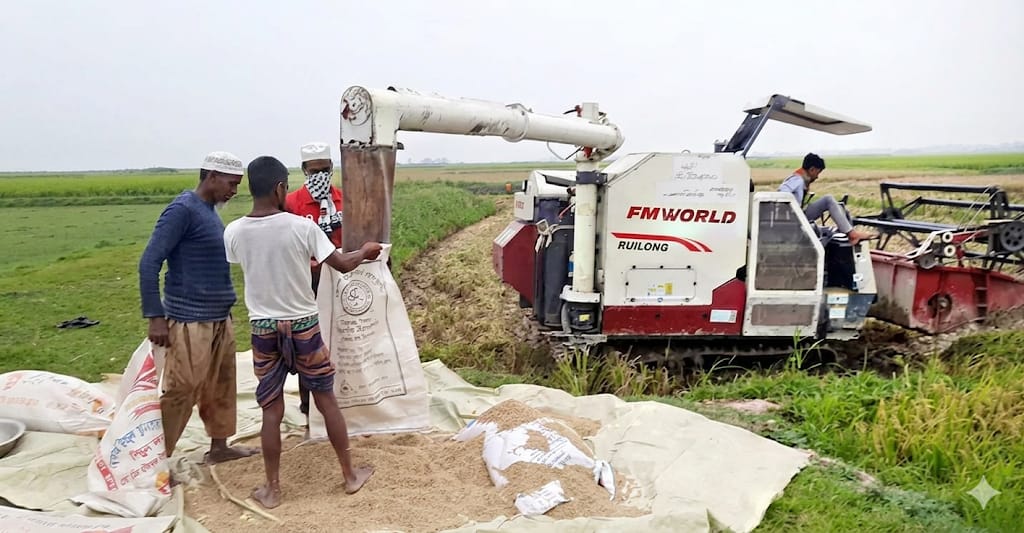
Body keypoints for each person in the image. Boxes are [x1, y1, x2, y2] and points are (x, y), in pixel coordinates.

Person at [224, 155, 379, 508]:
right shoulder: (301, 227)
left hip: (263, 328)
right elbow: (340, 263)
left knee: (271, 408)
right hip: (304, 325)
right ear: (280, 188)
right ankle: (350, 475)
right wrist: (366, 252)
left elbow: (242, 261)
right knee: (325, 398)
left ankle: (273, 488)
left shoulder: (234, 232)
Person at [138, 151, 259, 464]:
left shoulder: (208, 210)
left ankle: (219, 447)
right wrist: (155, 316)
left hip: (219, 317)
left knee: (222, 384)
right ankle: (157, 460)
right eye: (231, 184)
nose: (234, 191)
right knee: (182, 388)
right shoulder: (182, 210)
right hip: (189, 318)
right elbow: (150, 261)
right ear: (212, 177)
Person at [285, 142, 343, 430]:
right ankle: (309, 405)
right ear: (304, 171)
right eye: (314, 170)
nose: (320, 174)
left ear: (331, 168)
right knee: (308, 343)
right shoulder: (292, 203)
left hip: (340, 279)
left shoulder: (343, 200)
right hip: (306, 282)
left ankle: (344, 396)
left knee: (340, 337)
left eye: (325, 169)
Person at [779, 152, 874, 245]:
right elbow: (781, 193)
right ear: (812, 169)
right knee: (828, 200)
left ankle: (846, 231)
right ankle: (852, 234)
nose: (817, 176)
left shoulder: (801, 179)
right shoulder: (797, 180)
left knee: (835, 211)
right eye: (818, 172)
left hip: (798, 215)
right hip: (792, 220)